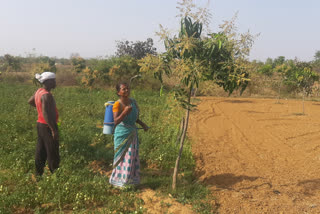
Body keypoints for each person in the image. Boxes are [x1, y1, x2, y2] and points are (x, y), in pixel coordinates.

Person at [109, 82, 149, 188]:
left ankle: (130, 181)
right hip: (122, 133)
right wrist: (125, 112)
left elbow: (135, 118)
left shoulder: (133, 102)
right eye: (123, 89)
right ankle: (119, 181)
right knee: (121, 157)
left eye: (127, 88)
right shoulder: (117, 104)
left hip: (132, 132)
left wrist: (143, 124)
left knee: (131, 156)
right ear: (118, 92)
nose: (126, 91)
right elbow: (116, 121)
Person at [28, 72, 59, 176]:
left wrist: (38, 108)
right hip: (47, 126)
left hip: (40, 125)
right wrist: (53, 130)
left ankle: (38, 173)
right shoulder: (46, 95)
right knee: (52, 151)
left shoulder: (39, 91)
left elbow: (30, 101)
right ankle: (55, 174)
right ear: (48, 82)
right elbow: (46, 114)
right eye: (53, 80)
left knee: (41, 150)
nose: (55, 82)